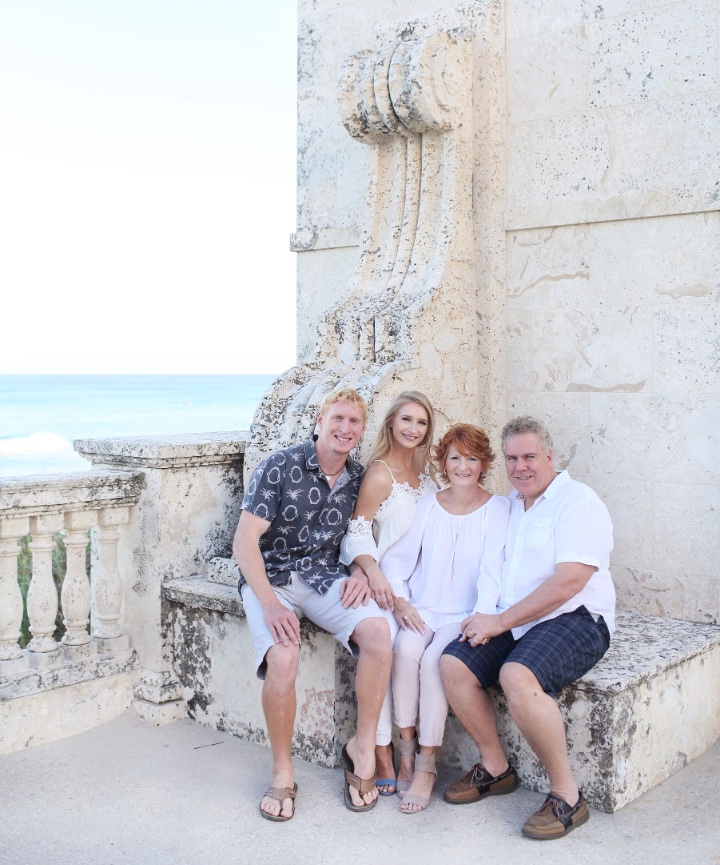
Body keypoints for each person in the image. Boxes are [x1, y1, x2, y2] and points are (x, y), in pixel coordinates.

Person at [440, 416, 615, 840]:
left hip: (576, 617)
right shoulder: (512, 506)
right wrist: (488, 618)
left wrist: (500, 621)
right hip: (518, 619)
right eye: (512, 458)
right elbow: (494, 572)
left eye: (530, 456)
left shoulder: (577, 500)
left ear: (549, 457)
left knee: (516, 675)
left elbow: (570, 580)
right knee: (452, 664)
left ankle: (567, 796)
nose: (521, 466)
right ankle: (496, 768)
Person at [233, 387, 392, 821]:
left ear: (362, 430)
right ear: (319, 422)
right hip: (273, 579)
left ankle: (361, 751)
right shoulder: (279, 466)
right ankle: (283, 772)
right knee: (283, 659)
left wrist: (361, 570)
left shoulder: (359, 478)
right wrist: (269, 604)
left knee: (379, 633)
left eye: (354, 422)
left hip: (324, 576)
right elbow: (244, 543)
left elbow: (361, 535)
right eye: (337, 419)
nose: (345, 428)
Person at [379, 424, 509, 813]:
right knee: (405, 649)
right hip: (424, 606)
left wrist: (482, 614)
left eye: (471, 458)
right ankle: (405, 751)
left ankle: (426, 765)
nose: (463, 466)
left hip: (465, 613)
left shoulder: (499, 508)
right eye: (455, 457)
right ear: (444, 462)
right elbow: (398, 562)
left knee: (436, 661)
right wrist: (401, 601)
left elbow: (493, 571)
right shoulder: (427, 505)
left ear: (483, 463)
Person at [340, 391, 437, 796]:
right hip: (383, 585)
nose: (413, 429)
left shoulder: (428, 475)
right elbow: (357, 531)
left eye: (421, 423)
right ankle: (381, 750)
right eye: (407, 420)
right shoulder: (380, 474)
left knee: (422, 654)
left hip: (420, 587)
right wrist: (376, 576)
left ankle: (411, 750)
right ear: (391, 424)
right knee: (386, 652)